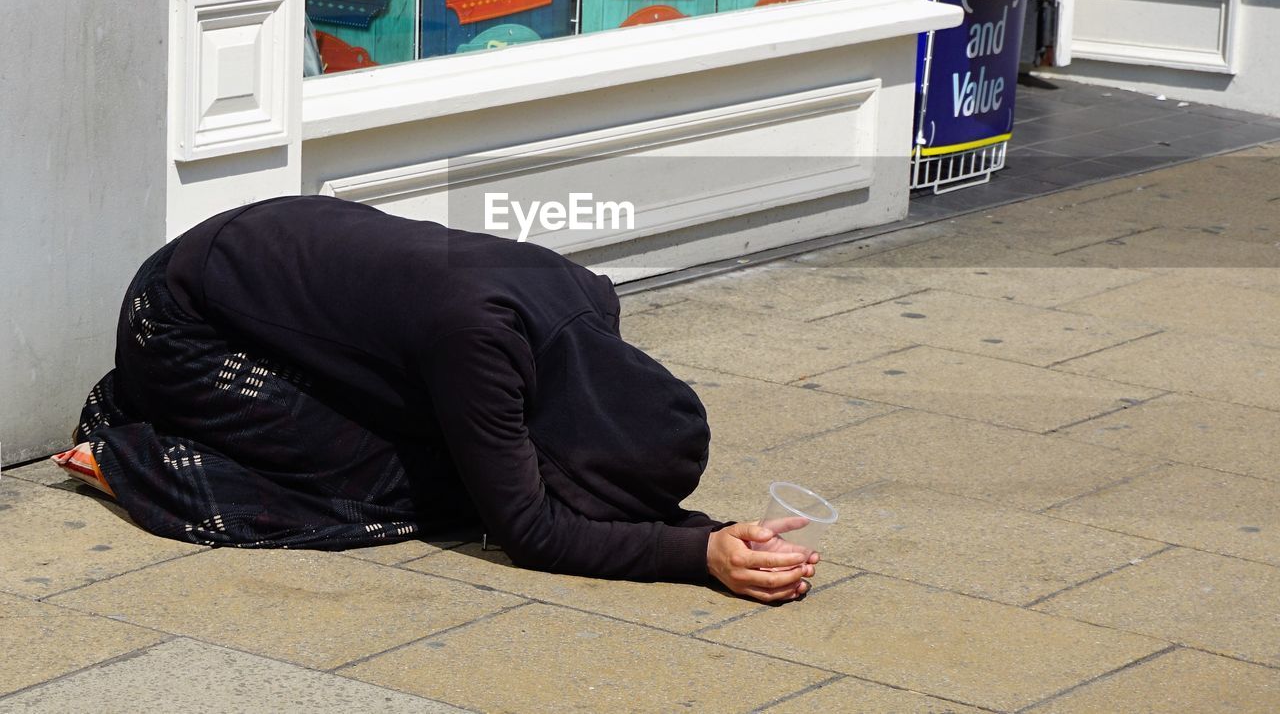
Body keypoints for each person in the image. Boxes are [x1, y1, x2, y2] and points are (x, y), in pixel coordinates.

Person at [71, 195, 817, 602]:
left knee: (472, 458)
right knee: (419, 487)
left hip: (255, 259)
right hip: (178, 326)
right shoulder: (483, 341)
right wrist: (695, 554)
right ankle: (132, 453)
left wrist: (711, 531)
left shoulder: (591, 301)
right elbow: (529, 529)